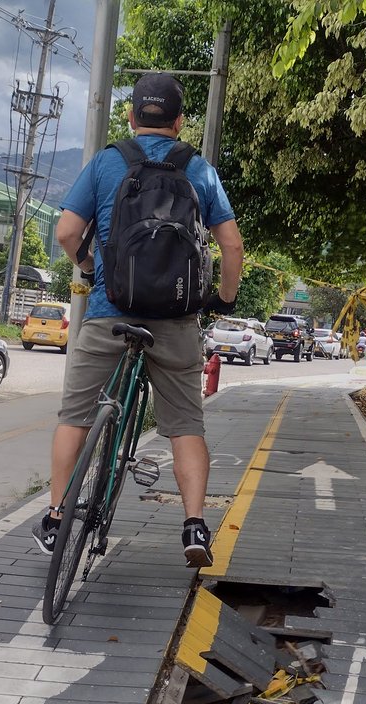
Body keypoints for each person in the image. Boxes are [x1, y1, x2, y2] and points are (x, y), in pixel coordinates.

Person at [33, 71, 244, 569]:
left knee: (75, 416)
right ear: (178, 121)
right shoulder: (198, 170)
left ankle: (57, 516)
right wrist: (224, 301)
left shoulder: (108, 162)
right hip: (174, 320)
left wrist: (89, 267)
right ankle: (193, 523)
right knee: (186, 425)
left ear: (131, 117)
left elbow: (66, 230)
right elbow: (231, 245)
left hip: (109, 312)